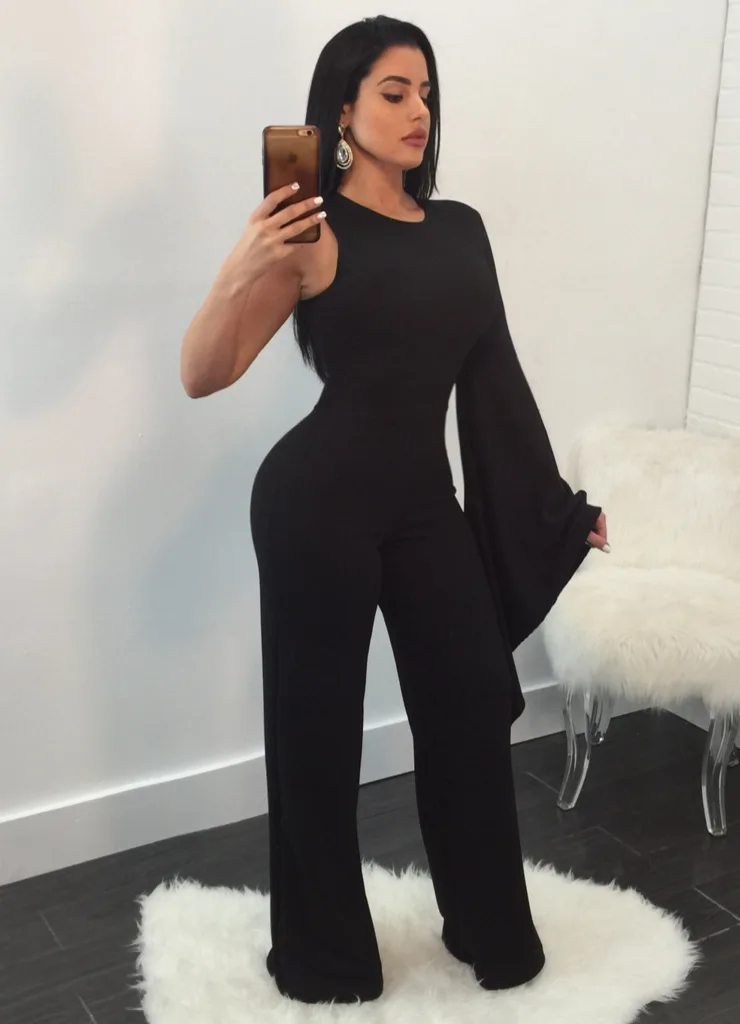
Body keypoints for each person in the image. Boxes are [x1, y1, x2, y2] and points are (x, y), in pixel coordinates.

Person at [180, 14, 608, 1006]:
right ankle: (326, 961)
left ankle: (491, 933)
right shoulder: (310, 233)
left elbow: (495, 382)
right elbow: (203, 372)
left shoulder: (460, 230)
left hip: (422, 505)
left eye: (425, 91)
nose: (418, 110)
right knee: (317, 738)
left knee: (469, 705)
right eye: (392, 91)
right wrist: (243, 260)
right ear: (341, 111)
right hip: (312, 508)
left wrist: (551, 511)